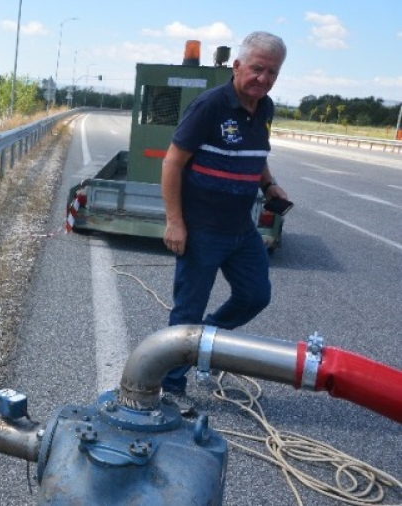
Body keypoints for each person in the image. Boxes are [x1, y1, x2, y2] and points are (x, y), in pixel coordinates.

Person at [160, 31, 290, 395]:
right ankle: (170, 389)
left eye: (272, 73)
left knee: (255, 295)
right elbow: (172, 163)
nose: (263, 79)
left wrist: (269, 185)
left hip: (241, 229)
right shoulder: (210, 106)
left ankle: (207, 339)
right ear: (237, 66)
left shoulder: (265, 107)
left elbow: (256, 152)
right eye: (257, 69)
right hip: (201, 230)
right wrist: (175, 221)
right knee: (186, 312)